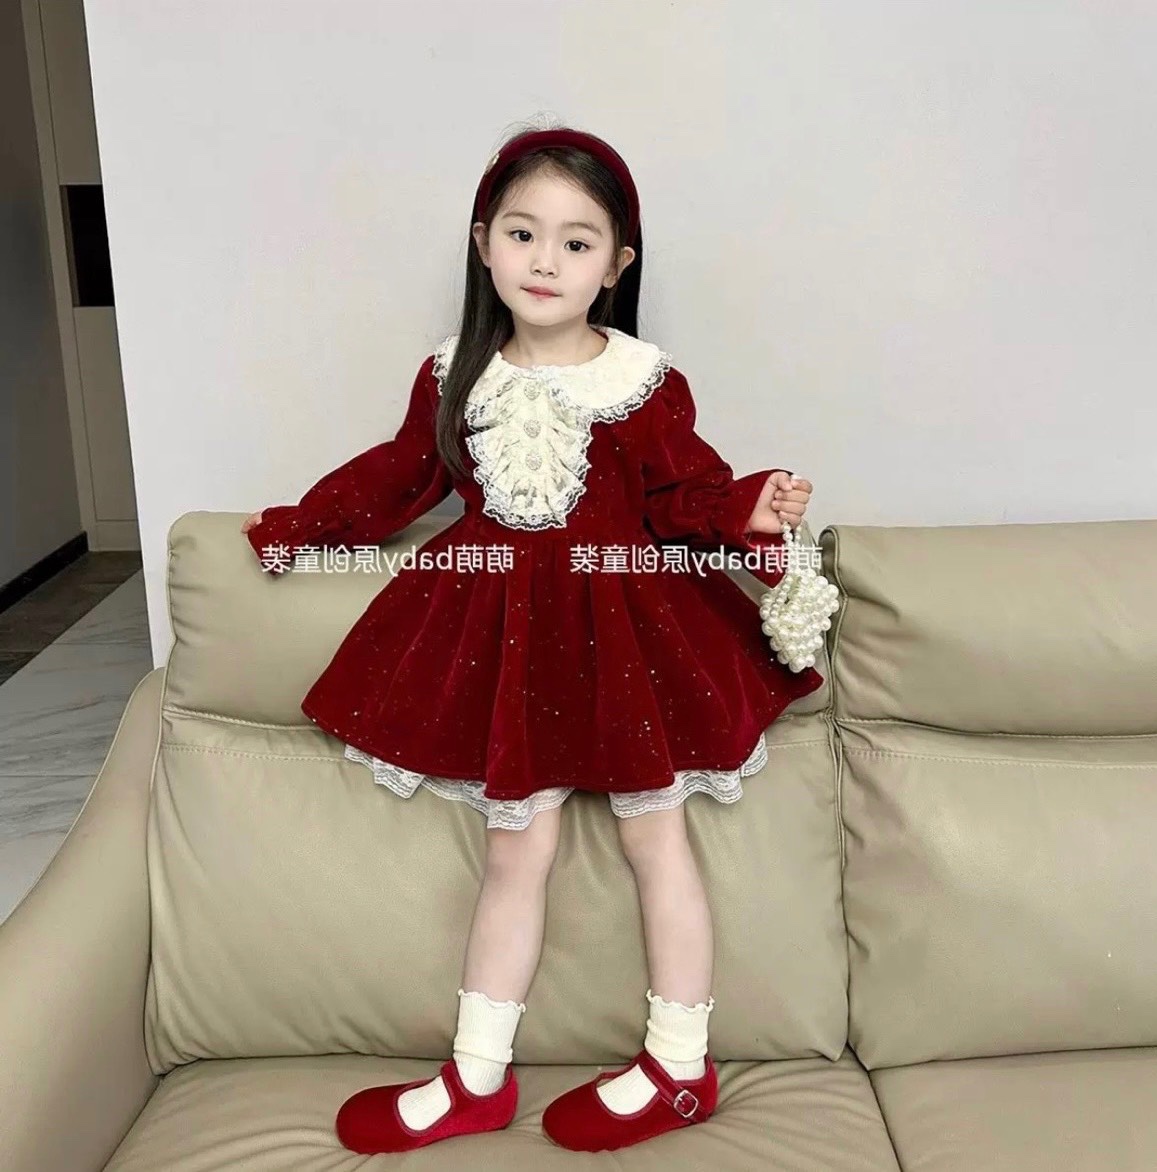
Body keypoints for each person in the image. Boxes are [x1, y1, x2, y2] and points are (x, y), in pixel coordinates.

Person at [242, 123, 823, 1154]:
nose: (545, 260)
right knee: (517, 851)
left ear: (616, 264)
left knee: (656, 839)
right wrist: (298, 528)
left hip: (625, 635)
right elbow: (398, 477)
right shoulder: (451, 376)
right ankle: (476, 1075)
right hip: (503, 641)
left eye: (576, 241)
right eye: (522, 233)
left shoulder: (644, 379)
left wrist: (751, 506)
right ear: (483, 244)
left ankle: (680, 1065)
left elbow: (683, 494)